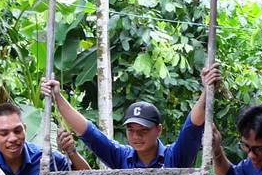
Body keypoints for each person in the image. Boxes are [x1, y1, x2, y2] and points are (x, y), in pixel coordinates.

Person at [43, 65, 221, 169]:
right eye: (131, 130)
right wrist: (57, 98)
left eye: (143, 130)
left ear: (158, 130)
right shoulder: (121, 157)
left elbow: (192, 127)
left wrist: (207, 90)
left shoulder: (175, 156)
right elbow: (88, 132)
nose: (136, 136)